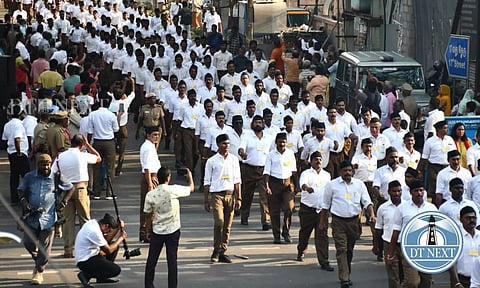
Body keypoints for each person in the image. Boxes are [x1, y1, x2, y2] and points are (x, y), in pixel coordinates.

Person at [18, 153, 74, 285]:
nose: (46, 167)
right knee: (28, 242)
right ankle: (39, 260)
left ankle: (39, 272)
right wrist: (23, 201)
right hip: (31, 217)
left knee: (45, 247)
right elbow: (20, 190)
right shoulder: (29, 177)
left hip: (49, 218)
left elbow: (71, 188)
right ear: (38, 165)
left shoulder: (56, 176)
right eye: (43, 165)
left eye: (48, 164)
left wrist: (64, 202)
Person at [321, 160, 375, 288]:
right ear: (340, 172)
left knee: (349, 250)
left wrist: (372, 214)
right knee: (342, 249)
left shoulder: (359, 184)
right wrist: (323, 222)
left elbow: (367, 202)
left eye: (349, 170)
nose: (347, 173)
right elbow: (325, 205)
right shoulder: (332, 185)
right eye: (345, 171)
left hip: (354, 222)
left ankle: (347, 273)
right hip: (338, 221)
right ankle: (344, 278)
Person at [144, 166, 194, 288]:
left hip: (157, 230)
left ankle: (149, 284)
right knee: (172, 261)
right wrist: (190, 177)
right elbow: (191, 189)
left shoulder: (151, 194)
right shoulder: (173, 190)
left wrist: (147, 230)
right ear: (168, 178)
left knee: (152, 260)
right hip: (173, 230)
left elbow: (147, 213)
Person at [53, 134, 101, 258]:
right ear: (82, 144)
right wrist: (88, 145)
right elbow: (98, 158)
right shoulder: (82, 155)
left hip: (65, 191)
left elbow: (53, 172)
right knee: (85, 220)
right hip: (80, 188)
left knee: (68, 221)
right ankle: (87, 248)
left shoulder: (60, 157)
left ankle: (68, 250)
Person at [386, 180, 437, 288]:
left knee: (427, 282)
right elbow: (396, 231)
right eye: (416, 191)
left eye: (421, 190)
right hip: (408, 249)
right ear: (410, 192)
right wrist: (390, 253)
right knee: (411, 282)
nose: (419, 193)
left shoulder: (431, 208)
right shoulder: (402, 208)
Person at [204, 134, 242, 263]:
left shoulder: (234, 159)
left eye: (228, 144)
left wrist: (239, 198)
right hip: (217, 195)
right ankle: (216, 249)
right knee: (219, 222)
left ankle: (222, 251)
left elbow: (237, 180)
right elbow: (206, 181)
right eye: (223, 144)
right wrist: (206, 200)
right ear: (218, 145)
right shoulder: (212, 161)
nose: (226, 146)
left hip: (230, 194)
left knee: (227, 226)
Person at [296, 151, 333, 271]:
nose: (318, 162)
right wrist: (307, 188)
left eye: (320, 160)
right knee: (305, 233)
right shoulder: (306, 173)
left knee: (322, 236)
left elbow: (329, 191)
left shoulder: (327, 175)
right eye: (316, 160)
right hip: (307, 208)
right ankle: (301, 250)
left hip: (322, 210)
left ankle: (324, 261)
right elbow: (303, 184)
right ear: (311, 161)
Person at [238, 115, 274, 230]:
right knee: (247, 195)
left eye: (260, 122)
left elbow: (272, 153)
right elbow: (241, 148)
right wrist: (242, 153)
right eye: (256, 122)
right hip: (249, 168)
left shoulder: (269, 137)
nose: (258, 124)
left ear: (263, 124)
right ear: (252, 124)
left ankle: (266, 221)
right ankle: (244, 216)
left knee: (264, 197)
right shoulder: (247, 136)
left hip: (263, 170)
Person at [75, 213, 127, 287]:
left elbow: (106, 241)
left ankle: (101, 278)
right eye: (109, 231)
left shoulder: (93, 223)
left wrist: (118, 228)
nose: (107, 233)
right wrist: (121, 238)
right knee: (115, 270)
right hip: (85, 260)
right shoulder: (94, 232)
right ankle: (85, 275)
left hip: (91, 254)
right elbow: (108, 250)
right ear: (105, 226)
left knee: (114, 246)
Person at [264, 132, 298, 244]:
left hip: (287, 184)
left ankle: (286, 231)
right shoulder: (271, 155)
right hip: (274, 183)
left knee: (289, 208)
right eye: (280, 142)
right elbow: (266, 172)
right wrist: (267, 186)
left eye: (284, 142)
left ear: (286, 143)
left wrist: (296, 186)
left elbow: (294, 171)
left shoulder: (290, 154)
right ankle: (276, 235)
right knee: (274, 212)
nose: (282, 144)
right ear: (276, 142)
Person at [87, 97, 119, 200]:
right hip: (109, 142)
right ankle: (109, 193)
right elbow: (116, 129)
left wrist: (88, 145)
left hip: (97, 142)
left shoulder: (93, 114)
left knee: (96, 168)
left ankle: (96, 192)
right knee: (110, 168)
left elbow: (90, 132)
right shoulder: (111, 115)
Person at [417, 120, 456, 199]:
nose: (447, 130)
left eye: (447, 128)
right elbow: (424, 157)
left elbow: (454, 153)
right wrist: (419, 171)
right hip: (434, 168)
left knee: (448, 186)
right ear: (438, 129)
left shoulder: (450, 139)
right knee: (435, 188)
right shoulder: (430, 141)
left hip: (447, 167)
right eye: (444, 128)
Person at [374, 180, 402, 288]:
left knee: (405, 275)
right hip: (388, 243)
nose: (397, 194)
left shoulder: (407, 206)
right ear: (389, 192)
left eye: (399, 191)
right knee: (393, 275)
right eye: (394, 191)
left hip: (405, 244)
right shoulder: (383, 208)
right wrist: (376, 245)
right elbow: (378, 229)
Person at [2, 103, 30, 205]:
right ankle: (27, 197)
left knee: (14, 176)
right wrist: (19, 151)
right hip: (20, 153)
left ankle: (14, 198)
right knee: (25, 176)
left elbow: (4, 138)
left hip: (11, 153)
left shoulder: (7, 124)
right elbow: (17, 139)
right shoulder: (19, 124)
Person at [139, 127, 162, 243]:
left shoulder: (151, 146)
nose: (157, 137)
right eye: (154, 135)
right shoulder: (148, 148)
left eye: (158, 135)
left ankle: (146, 231)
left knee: (150, 208)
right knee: (149, 208)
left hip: (154, 176)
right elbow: (147, 167)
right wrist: (150, 184)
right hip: (150, 177)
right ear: (148, 136)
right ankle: (146, 232)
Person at [455, 207, 480, 288]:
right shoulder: (456, 238)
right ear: (461, 220)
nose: (472, 220)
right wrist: (457, 283)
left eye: (474, 218)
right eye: (468, 218)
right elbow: (452, 263)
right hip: (463, 280)